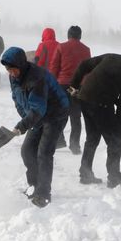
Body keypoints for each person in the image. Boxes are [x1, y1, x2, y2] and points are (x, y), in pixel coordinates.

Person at [69, 47, 121, 188]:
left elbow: (84, 65)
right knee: (115, 140)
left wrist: (73, 85)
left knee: (93, 137)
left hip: (84, 98)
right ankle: (114, 178)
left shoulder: (111, 56)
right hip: (100, 104)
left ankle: (85, 174)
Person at [1, 47, 69, 208]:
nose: (11, 73)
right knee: (27, 151)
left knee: (44, 153)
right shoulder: (14, 77)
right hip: (37, 116)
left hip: (56, 114)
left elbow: (39, 109)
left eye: (13, 69)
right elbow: (17, 99)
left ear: (21, 65)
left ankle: (44, 193)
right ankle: (34, 185)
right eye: (8, 70)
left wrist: (22, 126)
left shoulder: (36, 78)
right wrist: (26, 120)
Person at [49, 26, 91, 154]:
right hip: (78, 87)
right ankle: (75, 146)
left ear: (68, 35)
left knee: (60, 115)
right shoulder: (86, 49)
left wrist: (52, 84)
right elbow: (88, 70)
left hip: (62, 86)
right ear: (80, 36)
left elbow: (54, 66)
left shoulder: (61, 47)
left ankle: (58, 141)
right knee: (76, 117)